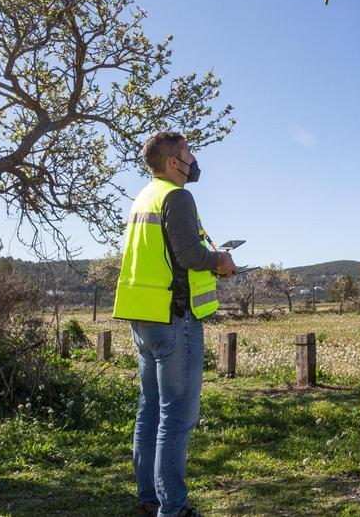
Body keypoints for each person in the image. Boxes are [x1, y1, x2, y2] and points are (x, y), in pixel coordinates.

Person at [113, 132, 237, 517]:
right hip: (174, 319)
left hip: (144, 318)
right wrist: (219, 261)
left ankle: (149, 500)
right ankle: (173, 507)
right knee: (178, 415)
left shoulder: (144, 197)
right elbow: (186, 254)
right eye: (188, 153)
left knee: (150, 410)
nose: (194, 159)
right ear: (172, 162)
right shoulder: (176, 196)